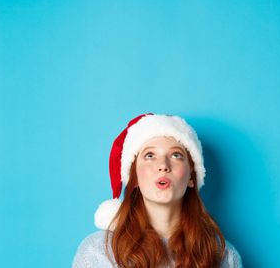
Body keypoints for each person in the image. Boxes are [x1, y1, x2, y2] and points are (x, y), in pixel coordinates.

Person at [72, 113, 243, 268]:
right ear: (135, 177)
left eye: (176, 155)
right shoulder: (97, 252)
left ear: (192, 177)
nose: (163, 166)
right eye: (150, 156)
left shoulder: (223, 255)